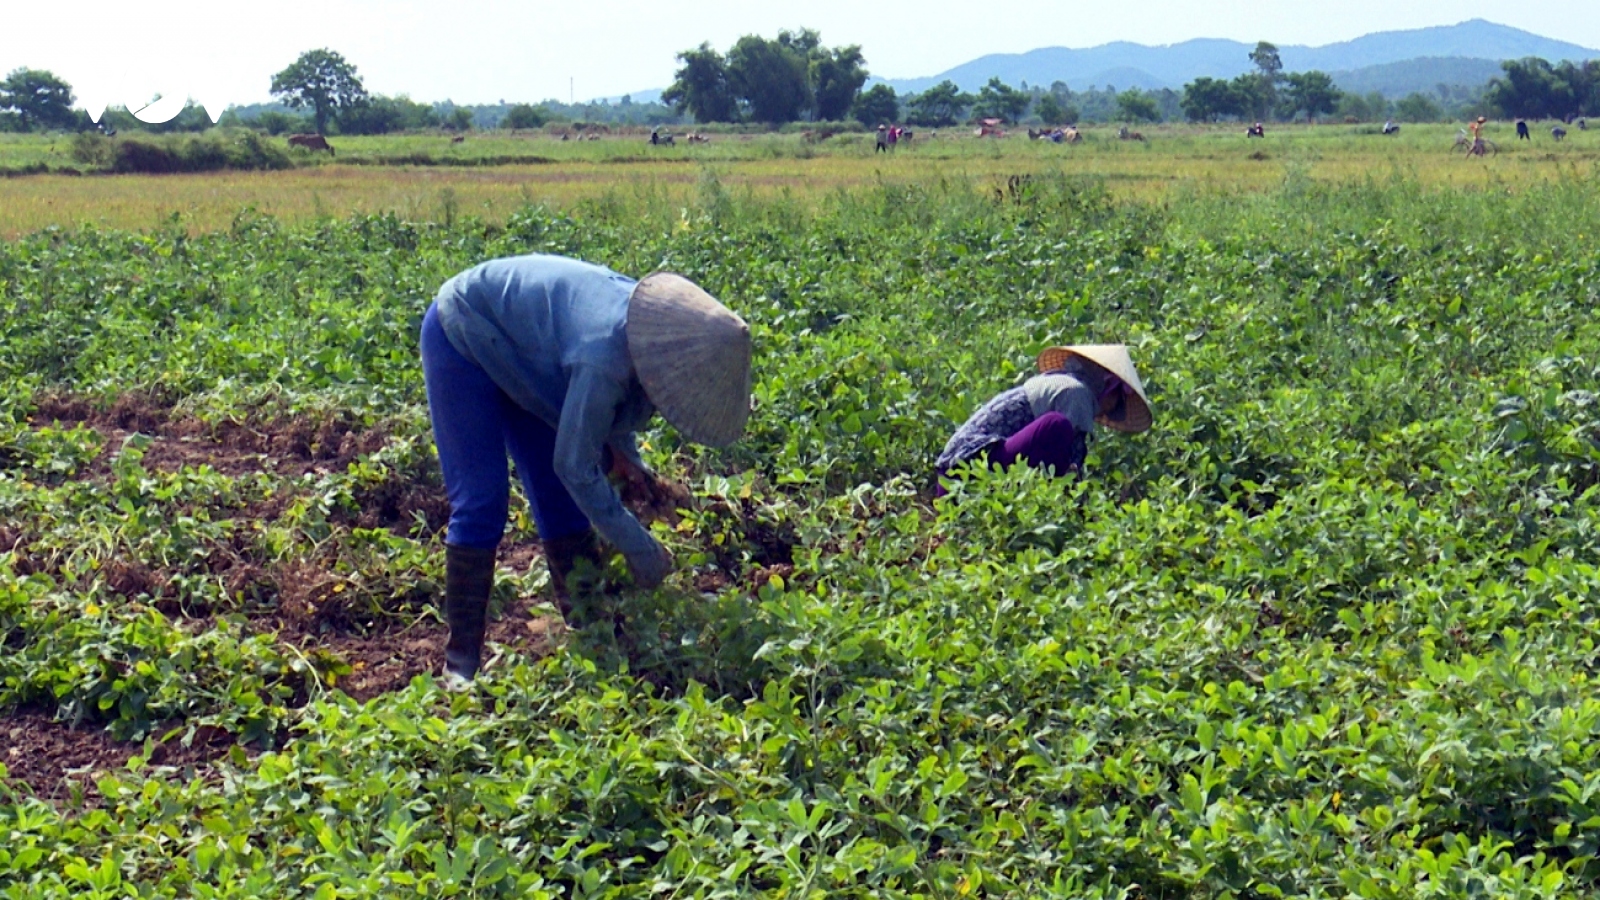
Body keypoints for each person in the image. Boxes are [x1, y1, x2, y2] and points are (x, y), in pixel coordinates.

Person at [421, 254, 752, 683]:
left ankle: (590, 636)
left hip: (530, 356)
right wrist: (639, 546)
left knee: (559, 503)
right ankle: (460, 664)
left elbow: (617, 407)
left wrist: (630, 463)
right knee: (483, 503)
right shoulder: (603, 356)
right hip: (466, 334)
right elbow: (576, 464)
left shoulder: (651, 332)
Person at [935, 345, 1151, 494]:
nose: (1110, 410)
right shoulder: (1075, 393)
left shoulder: (1060, 384)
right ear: (1108, 389)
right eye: (1117, 401)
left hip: (963, 475)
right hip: (964, 473)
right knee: (1057, 427)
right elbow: (1072, 466)